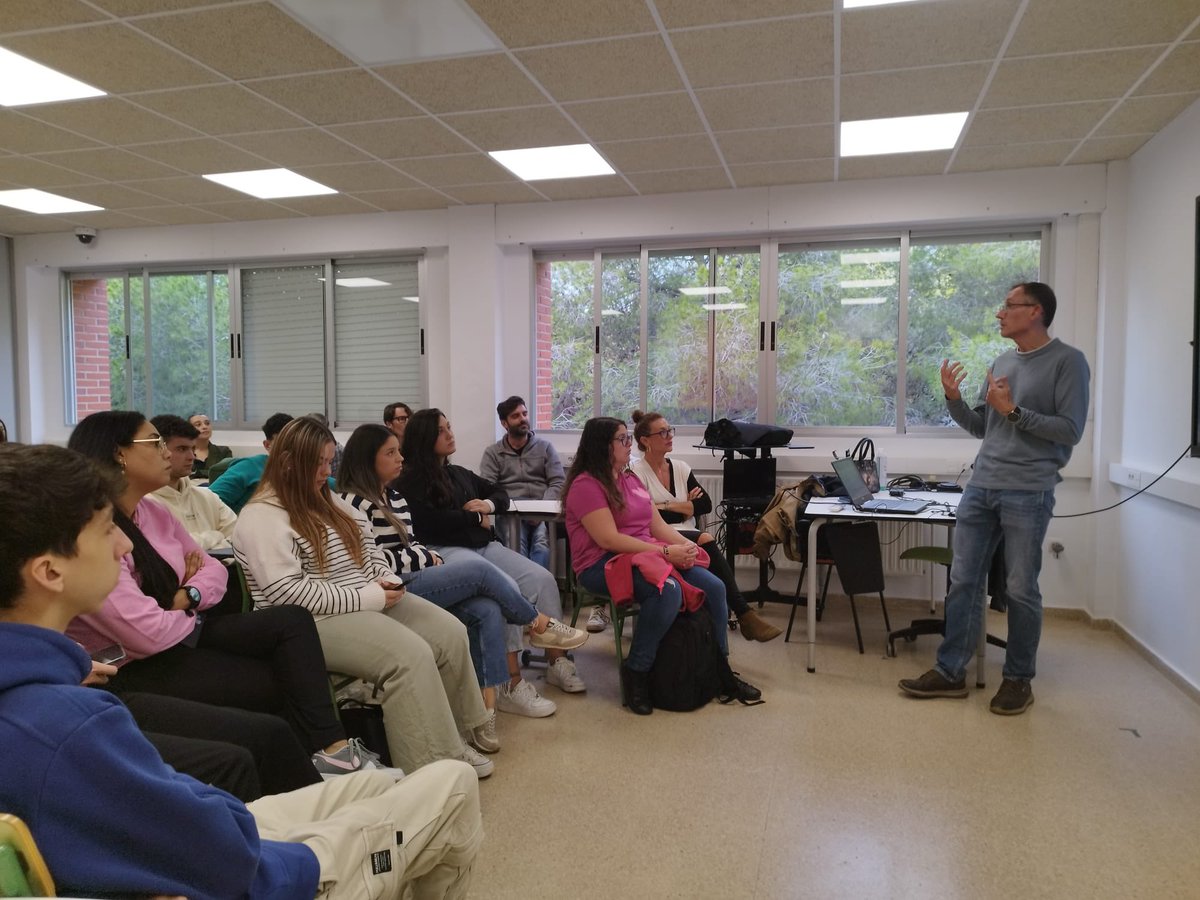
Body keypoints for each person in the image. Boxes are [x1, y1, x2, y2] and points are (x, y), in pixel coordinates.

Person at [0, 442, 482, 900]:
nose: (125, 544)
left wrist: (190, 593)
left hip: (222, 842)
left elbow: (211, 571)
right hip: (266, 876)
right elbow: (223, 858)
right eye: (107, 529)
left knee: (378, 784)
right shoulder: (70, 724)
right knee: (451, 785)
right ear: (49, 571)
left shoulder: (43, 696)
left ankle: (339, 761)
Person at [66, 410, 388, 782]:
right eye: (156, 443)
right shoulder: (93, 530)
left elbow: (215, 569)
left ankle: (332, 751)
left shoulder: (154, 512)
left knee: (291, 622)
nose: (168, 452)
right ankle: (314, 768)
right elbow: (144, 633)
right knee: (276, 684)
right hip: (132, 664)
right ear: (119, 454)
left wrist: (188, 594)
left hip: (181, 629)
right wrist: (182, 606)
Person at [233, 416, 498, 778]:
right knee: (409, 656)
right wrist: (368, 597)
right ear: (288, 462)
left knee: (450, 632)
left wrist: (385, 579)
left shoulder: (327, 499)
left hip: (361, 599)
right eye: (318, 463)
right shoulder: (262, 516)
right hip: (310, 622)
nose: (326, 472)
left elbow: (369, 548)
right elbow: (287, 594)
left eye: (330, 461)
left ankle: (459, 733)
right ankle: (433, 763)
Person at [899, 282, 1089, 715]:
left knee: (1020, 588)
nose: (1000, 313)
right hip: (982, 486)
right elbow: (982, 427)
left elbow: (1070, 430)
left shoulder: (1068, 362)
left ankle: (1018, 680)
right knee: (964, 580)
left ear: (1035, 311)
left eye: (1008, 306)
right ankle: (950, 672)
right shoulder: (1002, 361)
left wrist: (1014, 411)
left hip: (1029, 489)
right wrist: (953, 399)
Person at [336, 423, 587, 751]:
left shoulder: (394, 496)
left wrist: (428, 551)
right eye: (391, 453)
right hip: (394, 586)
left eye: (399, 451)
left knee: (488, 607)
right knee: (482, 572)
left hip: (422, 568)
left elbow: (412, 542)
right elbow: (376, 561)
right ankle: (537, 623)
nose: (400, 458)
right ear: (368, 459)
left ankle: (483, 713)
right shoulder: (353, 503)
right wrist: (428, 553)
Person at [563, 416, 760, 715]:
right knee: (666, 591)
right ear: (602, 445)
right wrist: (667, 552)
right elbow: (609, 540)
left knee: (714, 586)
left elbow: (656, 526)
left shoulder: (629, 479)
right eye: (622, 439)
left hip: (645, 554)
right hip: (601, 564)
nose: (629, 444)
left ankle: (720, 669)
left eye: (628, 438)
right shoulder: (586, 485)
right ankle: (637, 671)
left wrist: (687, 547)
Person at [399, 409, 584, 716]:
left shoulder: (458, 474)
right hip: (446, 551)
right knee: (504, 589)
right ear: (425, 438)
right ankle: (510, 683)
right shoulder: (410, 482)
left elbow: (499, 493)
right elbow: (432, 523)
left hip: (484, 546)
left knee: (542, 579)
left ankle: (556, 662)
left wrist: (486, 505)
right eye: (441, 430)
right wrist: (474, 519)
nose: (450, 434)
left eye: (449, 426)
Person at [628, 409, 782, 643]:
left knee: (711, 567)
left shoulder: (681, 468)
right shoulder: (636, 473)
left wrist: (664, 505)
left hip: (686, 533)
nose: (670, 436)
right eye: (663, 433)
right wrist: (686, 506)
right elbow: (648, 518)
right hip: (656, 537)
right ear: (645, 440)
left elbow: (705, 505)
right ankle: (744, 613)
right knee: (706, 538)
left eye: (670, 430)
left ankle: (740, 618)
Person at [479, 395, 564, 570]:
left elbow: (558, 482)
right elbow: (487, 486)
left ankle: (540, 585)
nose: (523, 419)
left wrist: (541, 508)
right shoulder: (493, 453)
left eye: (524, 414)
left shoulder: (545, 447)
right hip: (511, 513)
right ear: (505, 423)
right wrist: (508, 505)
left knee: (542, 544)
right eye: (515, 416)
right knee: (515, 543)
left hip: (542, 510)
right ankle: (522, 585)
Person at [148, 414, 238, 550]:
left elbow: (240, 539)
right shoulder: (144, 504)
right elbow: (170, 549)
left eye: (193, 449)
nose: (191, 457)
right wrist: (216, 536)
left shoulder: (208, 497)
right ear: (159, 450)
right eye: (182, 449)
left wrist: (198, 546)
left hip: (224, 564)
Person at [209, 411, 293, 513]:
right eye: (282, 443)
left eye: (293, 441)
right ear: (267, 445)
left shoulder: (302, 471)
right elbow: (208, 503)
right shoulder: (248, 468)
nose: (290, 448)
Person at [187, 412, 231, 482]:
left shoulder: (223, 451)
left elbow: (227, 475)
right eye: (198, 425)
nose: (204, 427)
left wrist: (197, 473)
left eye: (207, 423)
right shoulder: (183, 452)